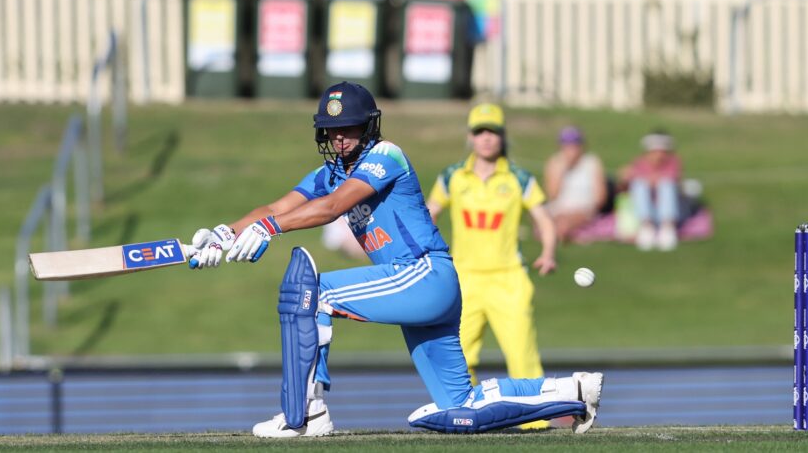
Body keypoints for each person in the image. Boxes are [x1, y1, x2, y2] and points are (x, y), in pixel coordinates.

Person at [187, 82, 602, 437]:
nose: (339, 138)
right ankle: (572, 392)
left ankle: (306, 413)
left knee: (314, 292)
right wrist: (225, 234)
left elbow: (331, 207)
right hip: (425, 286)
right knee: (463, 406)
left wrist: (272, 229)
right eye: (331, 131)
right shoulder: (330, 172)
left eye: (348, 128)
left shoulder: (387, 155)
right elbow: (278, 204)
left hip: (422, 274)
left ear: (368, 126)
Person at [426, 104, 557, 422]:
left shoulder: (518, 178)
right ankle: (462, 418)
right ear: (470, 137)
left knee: (522, 359)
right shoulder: (453, 176)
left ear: (503, 137)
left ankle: (536, 425)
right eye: (480, 131)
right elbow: (429, 214)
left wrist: (548, 251)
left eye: (493, 132)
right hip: (465, 280)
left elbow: (544, 219)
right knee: (461, 358)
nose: (486, 139)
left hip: (508, 280)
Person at [617, 129, 682, 251]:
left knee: (666, 185)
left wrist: (651, 179)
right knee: (639, 185)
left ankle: (667, 227)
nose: (658, 155)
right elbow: (627, 178)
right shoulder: (639, 162)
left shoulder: (673, 161)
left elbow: (673, 179)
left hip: (669, 209)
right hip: (649, 209)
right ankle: (646, 226)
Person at [542, 126, 608, 242]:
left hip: (583, 209)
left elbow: (600, 198)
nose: (571, 149)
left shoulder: (592, 162)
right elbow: (552, 195)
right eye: (567, 145)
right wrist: (561, 171)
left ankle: (560, 233)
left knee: (564, 224)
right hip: (558, 209)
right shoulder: (555, 162)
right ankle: (560, 232)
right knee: (550, 218)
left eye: (574, 145)